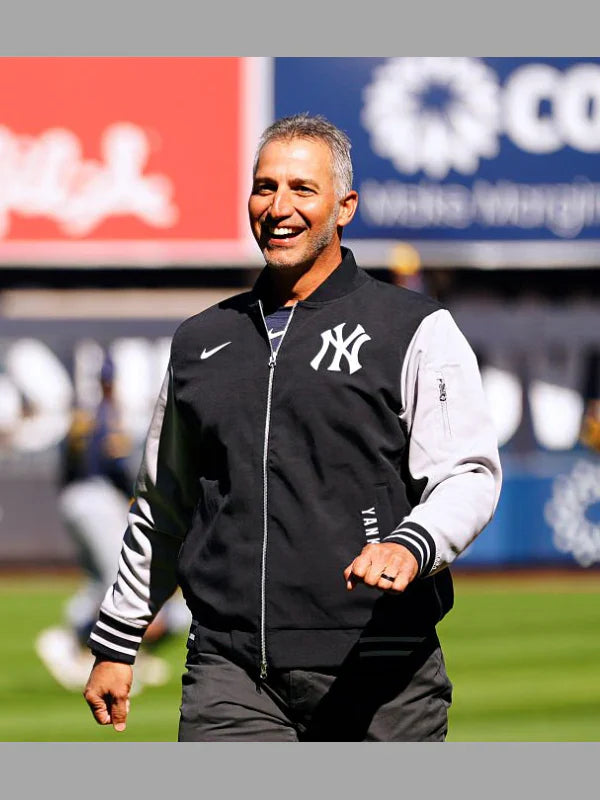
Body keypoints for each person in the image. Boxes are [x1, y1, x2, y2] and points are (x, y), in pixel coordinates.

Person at [83, 113, 502, 741]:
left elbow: (468, 473)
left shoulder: (414, 327)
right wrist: (119, 638)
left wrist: (411, 543)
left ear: (345, 207)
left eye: (303, 189)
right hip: (230, 672)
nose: (279, 207)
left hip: (381, 670)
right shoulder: (199, 341)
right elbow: (163, 505)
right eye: (265, 187)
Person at [36, 355, 179, 693]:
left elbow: (64, 464)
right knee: (119, 580)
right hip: (98, 500)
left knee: (98, 579)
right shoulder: (110, 417)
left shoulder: (81, 417)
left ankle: (100, 648)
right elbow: (119, 467)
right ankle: (81, 643)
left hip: (73, 498)